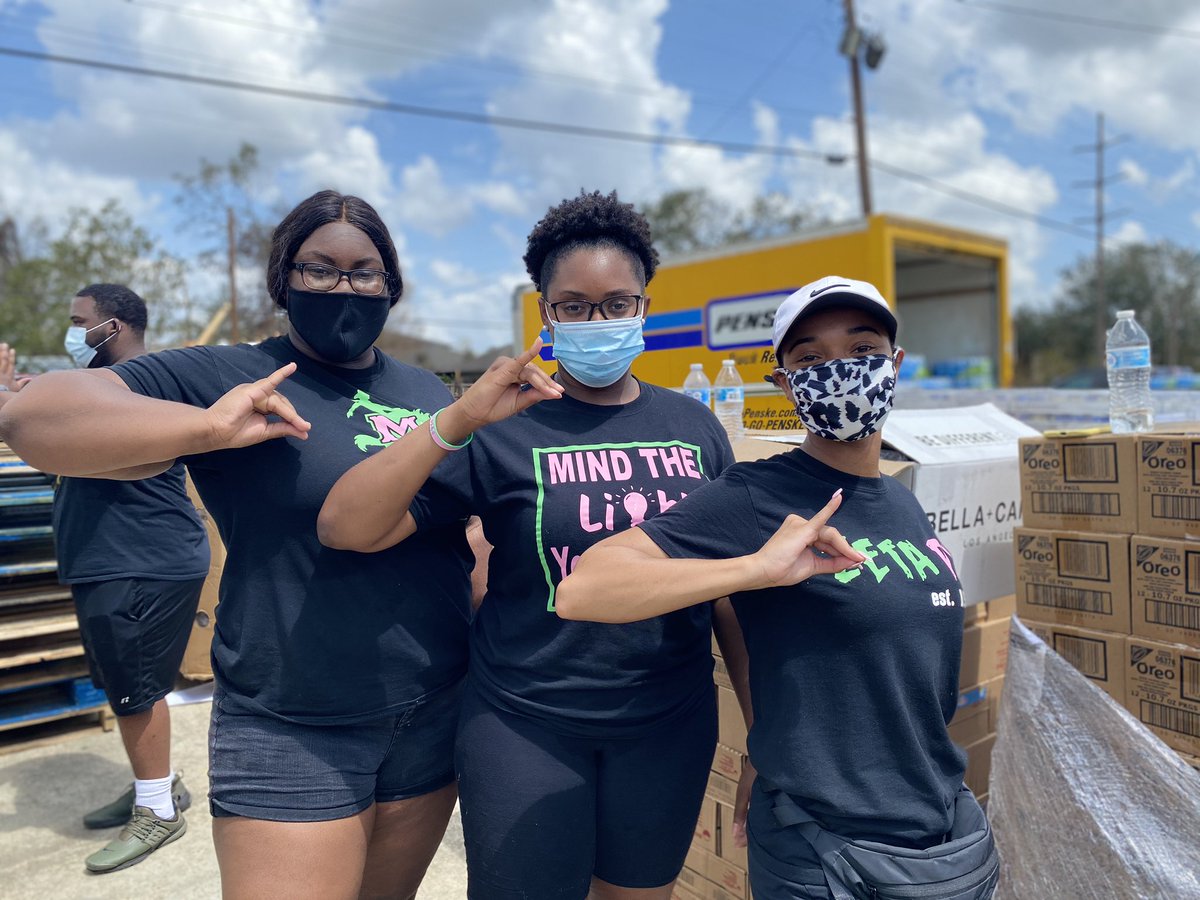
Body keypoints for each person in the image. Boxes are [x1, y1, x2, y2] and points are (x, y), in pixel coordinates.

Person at [0, 191, 473, 900]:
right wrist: (207, 431)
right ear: (283, 280)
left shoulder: (425, 391)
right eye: (319, 269)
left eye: (364, 272)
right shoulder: (229, 376)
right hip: (291, 722)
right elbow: (34, 419)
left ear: (391, 286)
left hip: (429, 711)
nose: (343, 287)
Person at [318, 190, 746, 899]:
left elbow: (726, 590)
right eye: (574, 305)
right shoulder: (503, 427)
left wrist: (761, 726)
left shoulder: (694, 427)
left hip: (667, 725)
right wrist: (458, 417)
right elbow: (347, 527)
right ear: (546, 313)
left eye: (617, 303)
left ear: (645, 307)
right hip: (526, 723)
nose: (597, 320)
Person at [556, 276, 998, 900]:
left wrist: (762, 737)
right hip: (828, 853)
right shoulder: (757, 495)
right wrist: (756, 569)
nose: (840, 371)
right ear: (785, 384)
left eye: (863, 349)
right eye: (810, 358)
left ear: (894, 366)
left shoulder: (902, 503)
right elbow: (586, 588)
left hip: (937, 831)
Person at [50, 285, 207, 873]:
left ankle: (158, 813)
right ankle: (158, 785)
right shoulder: (99, 385)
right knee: (129, 688)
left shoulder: (141, 384)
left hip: (143, 561)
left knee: (137, 690)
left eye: (78, 322)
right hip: (111, 561)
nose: (72, 333)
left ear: (112, 326)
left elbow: (51, 428)